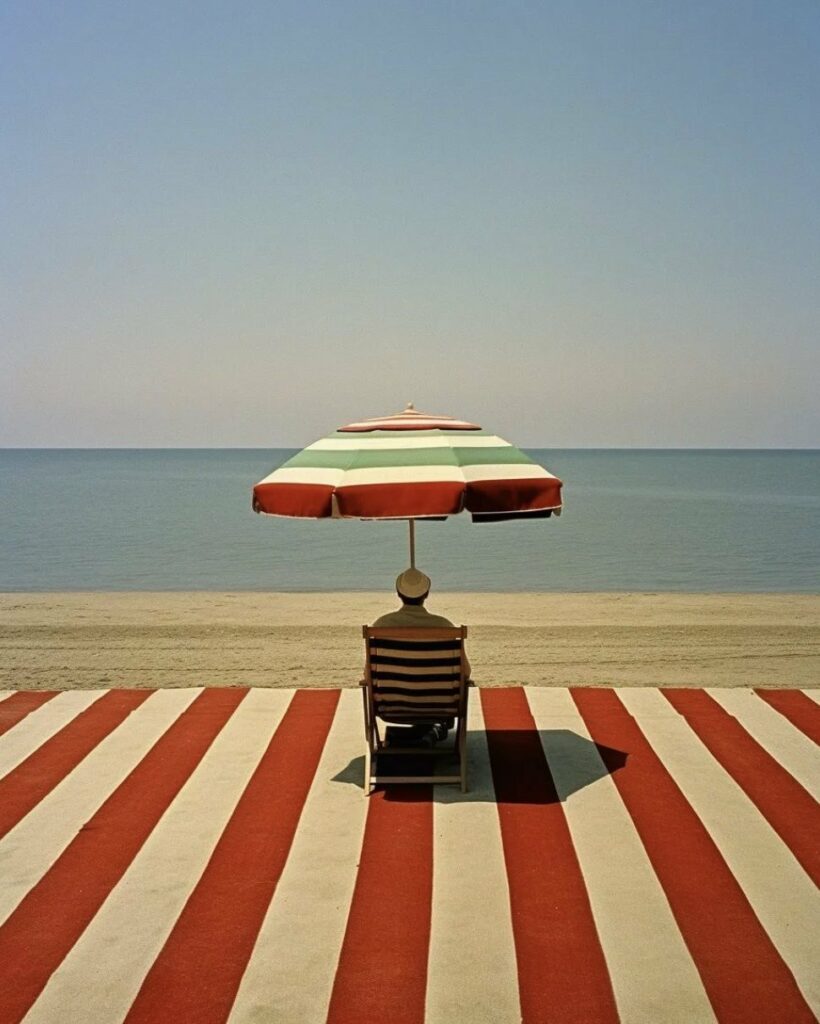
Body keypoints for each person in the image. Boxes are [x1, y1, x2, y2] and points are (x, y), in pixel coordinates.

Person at [371, 567, 470, 744]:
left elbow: (368, 675)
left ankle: (424, 732)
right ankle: (432, 730)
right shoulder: (445, 627)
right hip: (442, 707)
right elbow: (466, 672)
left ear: (398, 593)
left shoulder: (381, 625)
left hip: (391, 707)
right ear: (426, 594)